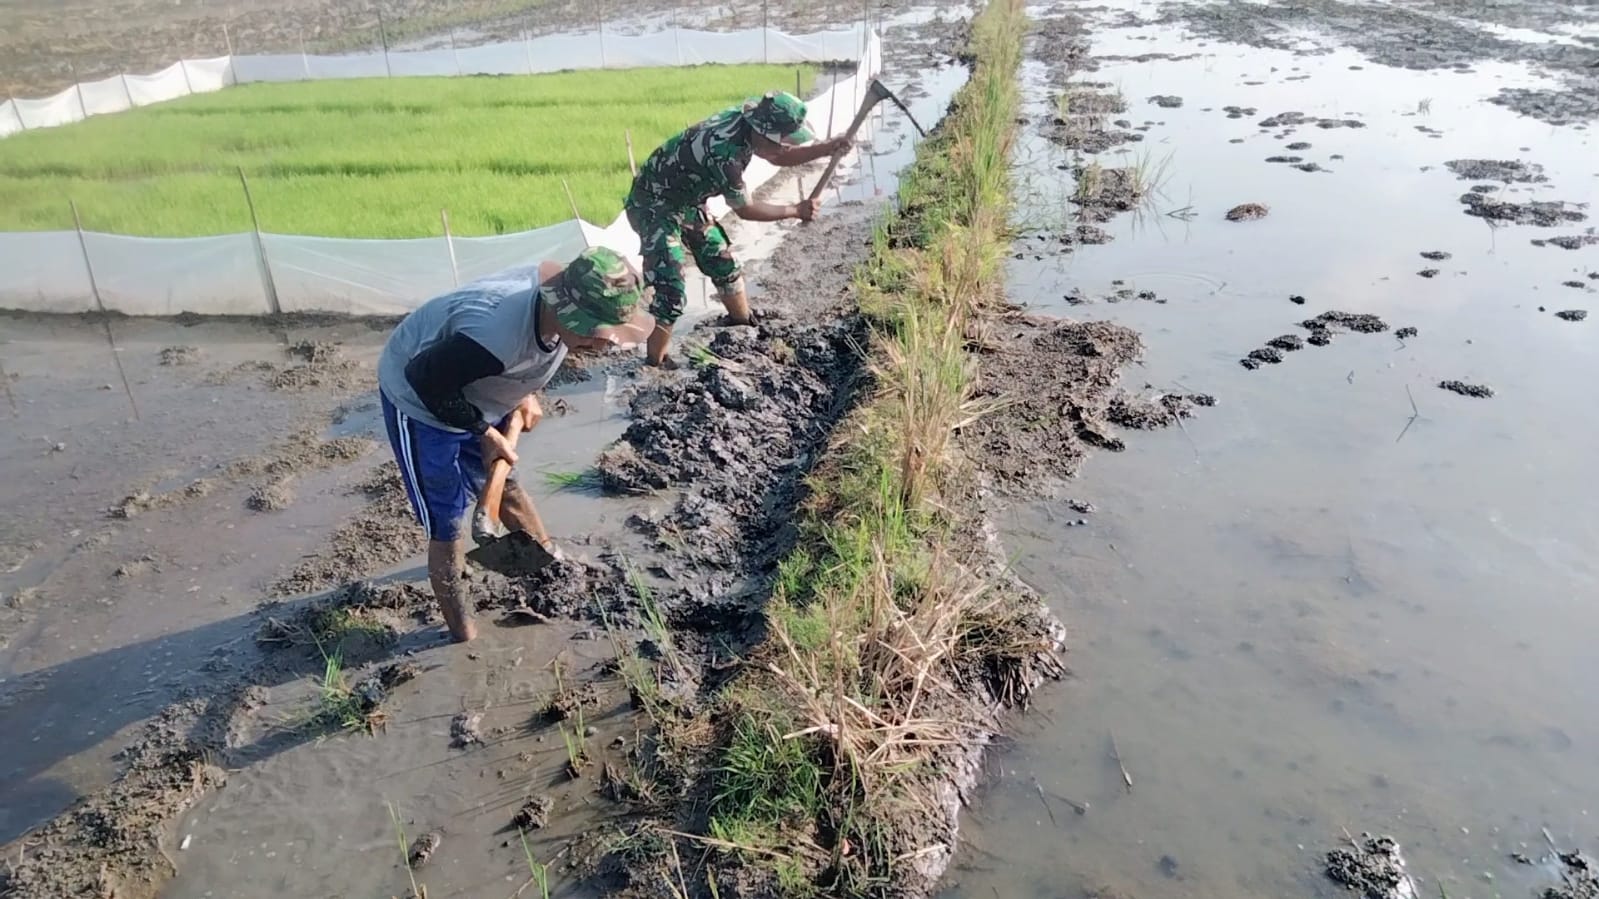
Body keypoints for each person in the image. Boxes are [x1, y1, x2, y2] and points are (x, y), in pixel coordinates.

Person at [377, 247, 653, 642]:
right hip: (420, 398)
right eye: (596, 332)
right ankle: (461, 630)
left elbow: (527, 354)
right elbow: (426, 378)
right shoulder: (495, 336)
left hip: (473, 379)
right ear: (568, 314)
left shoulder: (552, 306)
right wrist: (484, 432)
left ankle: (547, 561)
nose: (603, 344)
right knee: (447, 519)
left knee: (508, 482)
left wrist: (523, 392)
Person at [625, 90, 851, 367]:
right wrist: (795, 209)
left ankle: (742, 323)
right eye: (781, 142)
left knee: (721, 259)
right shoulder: (725, 154)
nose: (784, 148)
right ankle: (655, 363)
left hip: (686, 199)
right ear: (760, 131)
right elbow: (746, 209)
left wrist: (826, 148)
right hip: (654, 204)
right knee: (670, 288)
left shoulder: (751, 124)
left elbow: (777, 155)